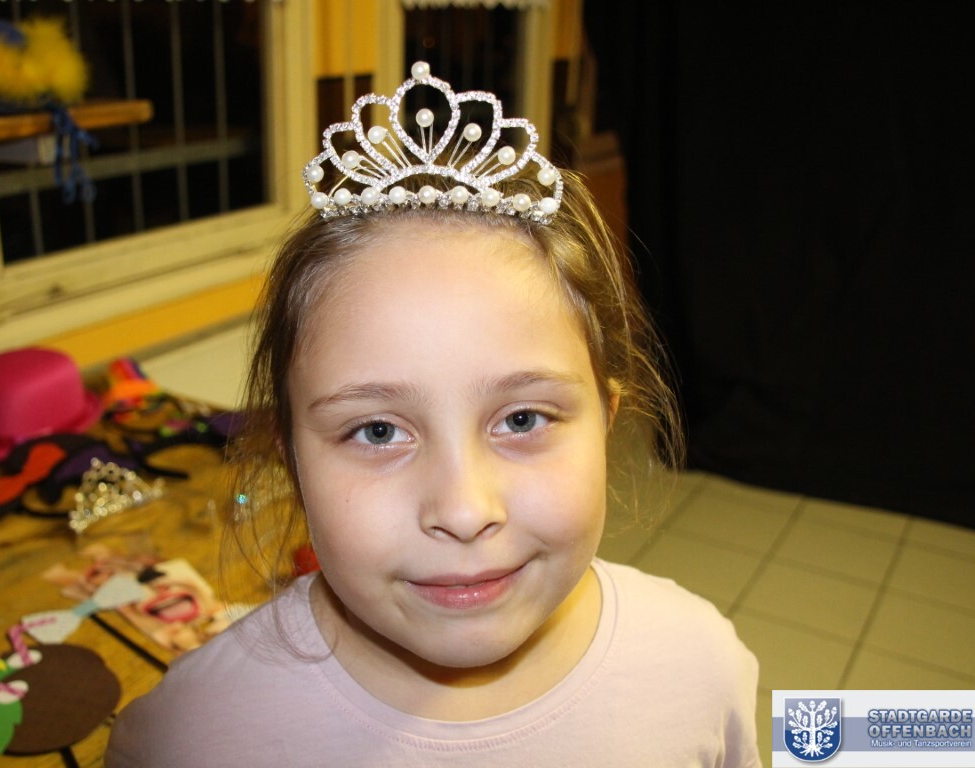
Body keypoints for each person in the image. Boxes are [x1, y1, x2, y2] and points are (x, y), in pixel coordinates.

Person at [106, 63, 761, 767]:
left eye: (522, 419)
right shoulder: (193, 734)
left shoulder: (702, 668)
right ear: (291, 460)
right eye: (378, 430)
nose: (463, 510)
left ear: (606, 422)